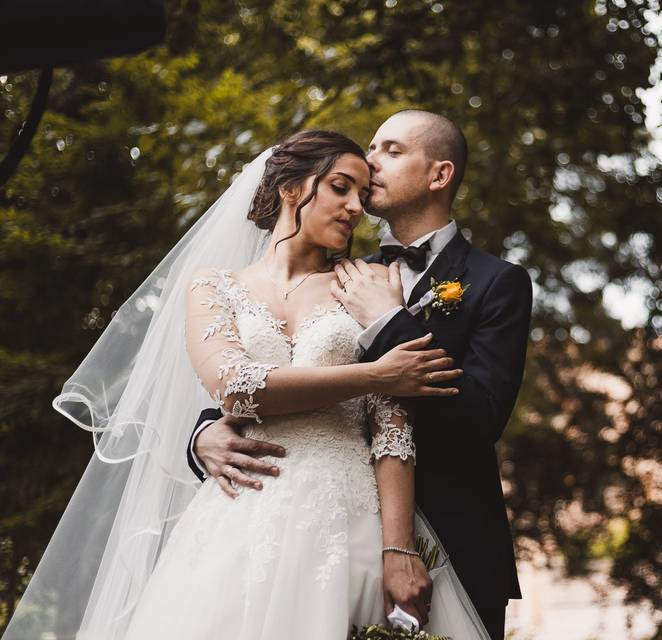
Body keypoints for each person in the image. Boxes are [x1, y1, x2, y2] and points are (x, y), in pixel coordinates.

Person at [1, 130, 490, 640]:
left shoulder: (367, 284)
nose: (354, 208)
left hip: (350, 520)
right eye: (340, 188)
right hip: (239, 518)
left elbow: (392, 429)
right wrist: (375, 374)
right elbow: (235, 386)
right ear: (291, 188)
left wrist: (398, 547)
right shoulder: (214, 287)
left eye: (361, 197)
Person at [189, 110, 532, 640]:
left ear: (440, 175)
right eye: (370, 149)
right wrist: (205, 430)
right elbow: (281, 367)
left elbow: (479, 418)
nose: (373, 161)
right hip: (310, 519)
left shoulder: (497, 282)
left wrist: (389, 323)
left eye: (391, 150)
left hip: (451, 539)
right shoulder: (346, 274)